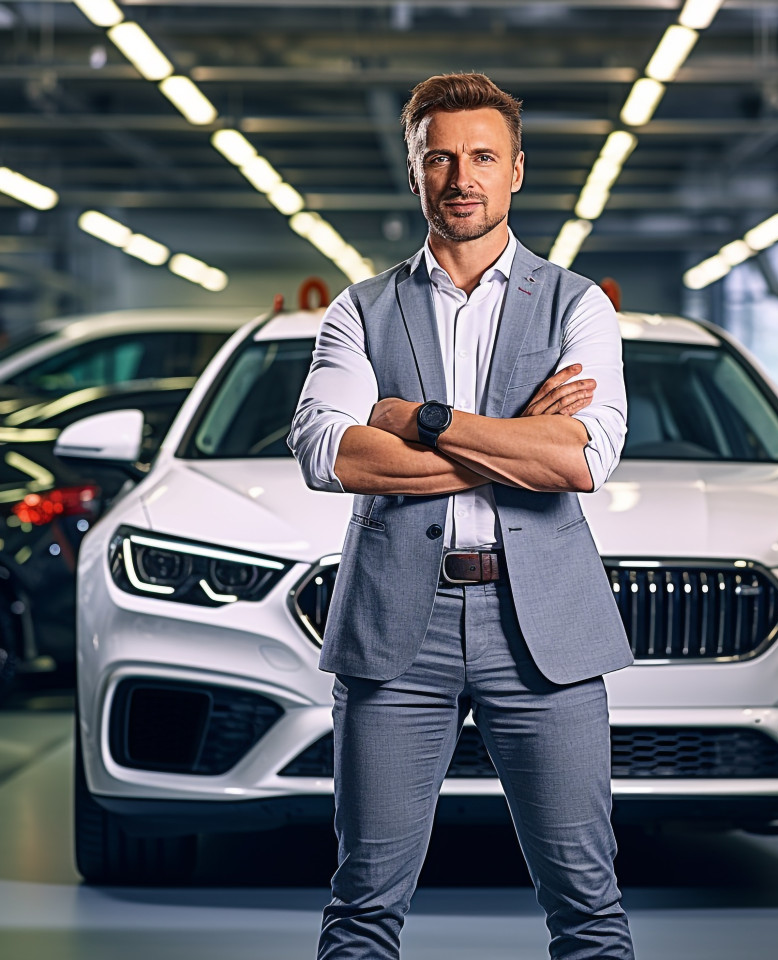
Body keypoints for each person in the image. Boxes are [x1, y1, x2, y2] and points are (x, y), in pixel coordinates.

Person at [289, 72, 635, 960]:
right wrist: (517, 442)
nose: (461, 177)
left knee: (590, 911)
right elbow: (330, 453)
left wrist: (424, 420)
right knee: (362, 909)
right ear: (414, 173)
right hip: (397, 630)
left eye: (482, 156)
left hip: (544, 630)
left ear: (517, 169)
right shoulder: (358, 310)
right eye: (439, 158)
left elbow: (581, 460)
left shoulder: (578, 304)